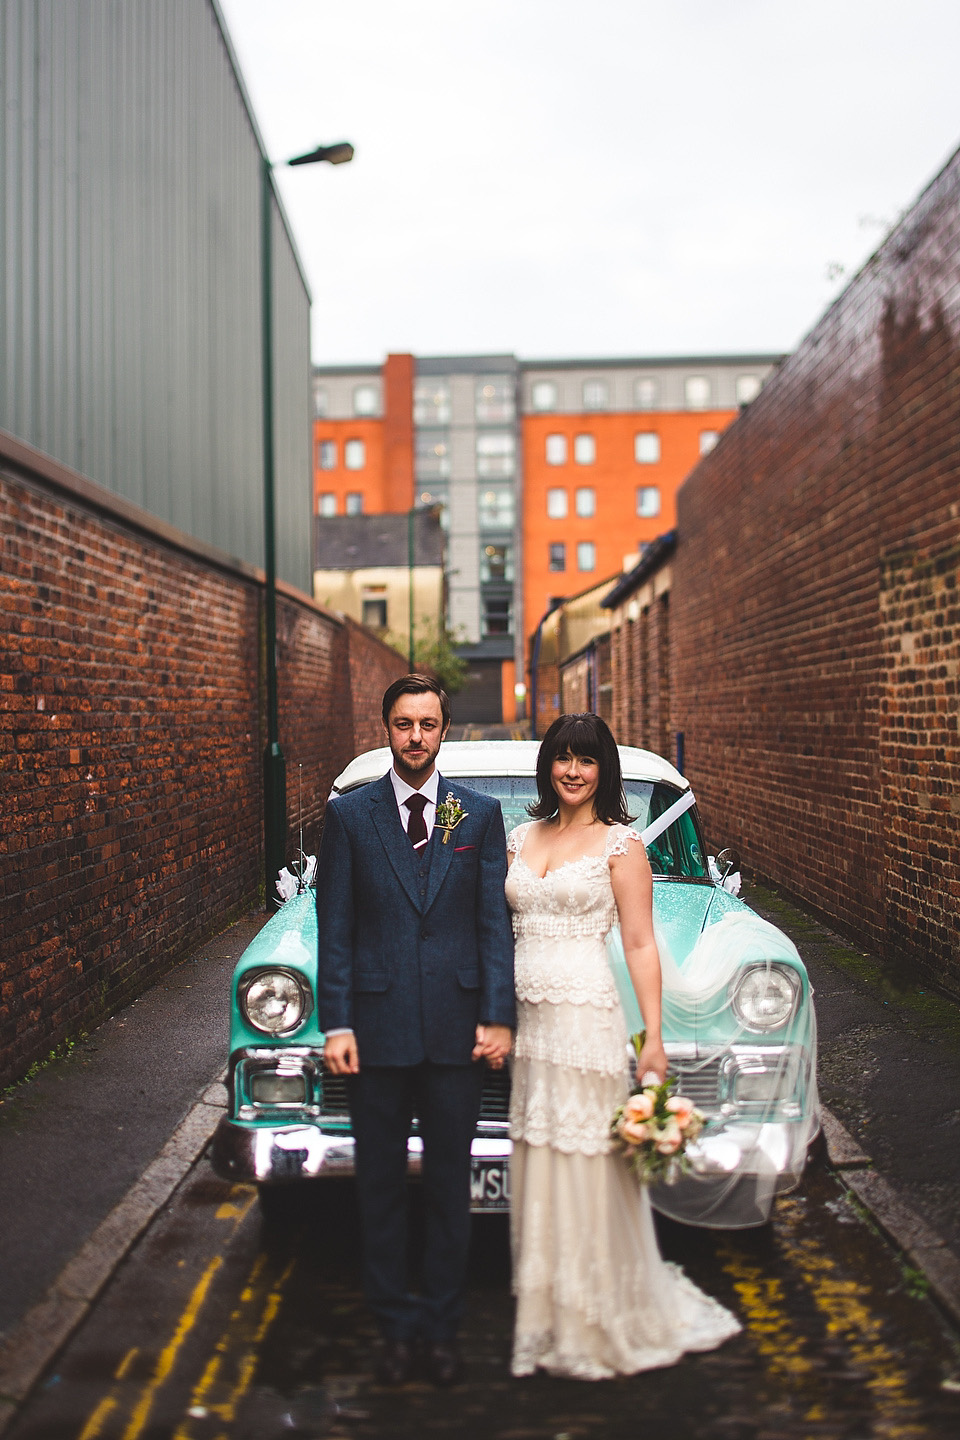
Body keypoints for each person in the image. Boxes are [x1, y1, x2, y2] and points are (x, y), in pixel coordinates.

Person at [506, 712, 740, 1379]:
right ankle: (552, 1316)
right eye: (562, 759)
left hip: (584, 1021)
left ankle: (599, 1317)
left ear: (603, 771)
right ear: (547, 767)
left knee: (588, 1161)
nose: (574, 772)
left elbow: (639, 943)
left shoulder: (621, 845)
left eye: (587, 760)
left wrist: (655, 1038)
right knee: (544, 1159)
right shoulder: (521, 838)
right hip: (531, 1028)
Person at [315, 674, 515, 1388]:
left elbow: (494, 923)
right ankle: (395, 1328)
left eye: (428, 724)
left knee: (446, 1189)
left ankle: (442, 1327)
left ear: (445, 729)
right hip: (373, 1030)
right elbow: (334, 927)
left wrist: (498, 1015)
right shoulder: (350, 817)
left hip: (459, 1035)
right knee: (380, 1190)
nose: (416, 737)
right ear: (386, 728)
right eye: (403, 724)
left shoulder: (478, 815)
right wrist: (335, 1021)